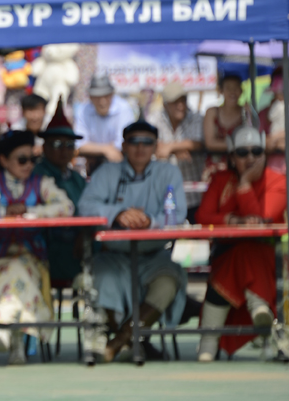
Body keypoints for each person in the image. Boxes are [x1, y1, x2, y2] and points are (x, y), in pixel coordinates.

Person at [0, 130, 74, 364]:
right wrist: (1, 214)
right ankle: (16, 342)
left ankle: (3, 324)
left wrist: (30, 213)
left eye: (33, 159)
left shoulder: (41, 183)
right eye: (22, 159)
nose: (29, 165)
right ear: (3, 160)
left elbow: (66, 207)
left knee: (18, 269)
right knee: (14, 271)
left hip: (31, 258)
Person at [79, 120, 188, 364]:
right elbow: (84, 206)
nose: (140, 148)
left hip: (155, 256)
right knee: (102, 278)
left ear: (156, 146)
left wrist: (149, 220)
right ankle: (134, 340)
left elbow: (178, 214)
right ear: (123, 146)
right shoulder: (107, 172)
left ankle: (117, 343)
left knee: (169, 281)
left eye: (147, 142)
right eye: (134, 142)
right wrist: (117, 213)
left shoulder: (168, 173)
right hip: (115, 256)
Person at [194, 126, 285, 362]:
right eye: (243, 153)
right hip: (228, 251)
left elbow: (261, 219)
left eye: (256, 151)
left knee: (243, 256)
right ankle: (258, 305)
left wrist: (244, 184)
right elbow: (203, 217)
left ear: (265, 153)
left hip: (265, 253)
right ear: (232, 157)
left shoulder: (277, 181)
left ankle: (209, 341)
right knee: (238, 257)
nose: (250, 158)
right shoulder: (220, 179)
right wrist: (231, 220)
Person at [35, 99, 88, 284]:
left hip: (78, 244)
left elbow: (89, 208)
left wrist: (83, 234)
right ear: (44, 147)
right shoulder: (36, 176)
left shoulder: (77, 179)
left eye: (69, 145)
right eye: (57, 144)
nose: (64, 150)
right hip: (45, 246)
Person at [151, 82, 204, 220]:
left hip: (193, 195)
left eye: (183, 100)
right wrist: (179, 148)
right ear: (165, 104)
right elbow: (151, 144)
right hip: (164, 195)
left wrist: (169, 148)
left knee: (198, 238)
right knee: (167, 238)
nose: (181, 105)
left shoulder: (196, 117)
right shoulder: (155, 118)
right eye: (175, 102)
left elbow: (197, 143)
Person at [74, 74, 134, 174]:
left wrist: (94, 149)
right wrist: (106, 150)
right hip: (91, 162)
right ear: (90, 97)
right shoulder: (83, 110)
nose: (102, 102)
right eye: (97, 96)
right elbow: (79, 145)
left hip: (118, 163)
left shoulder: (123, 108)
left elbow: (123, 144)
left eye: (106, 96)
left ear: (112, 94)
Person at [259, 67, 289, 175]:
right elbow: (259, 141)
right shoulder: (264, 112)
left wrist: (275, 138)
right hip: (271, 171)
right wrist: (278, 143)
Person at [203, 72, 248, 173]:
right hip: (214, 168)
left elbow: (251, 139)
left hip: (240, 167)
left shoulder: (246, 112)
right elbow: (210, 143)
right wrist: (238, 146)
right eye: (228, 88)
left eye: (236, 88)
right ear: (221, 91)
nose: (232, 92)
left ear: (241, 91)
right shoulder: (212, 112)